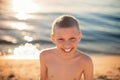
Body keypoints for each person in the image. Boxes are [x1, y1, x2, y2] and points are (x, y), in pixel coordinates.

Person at [40, 15, 93, 80]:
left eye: (72, 38)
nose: (67, 45)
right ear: (53, 38)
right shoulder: (45, 56)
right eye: (61, 39)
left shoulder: (85, 61)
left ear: (79, 37)